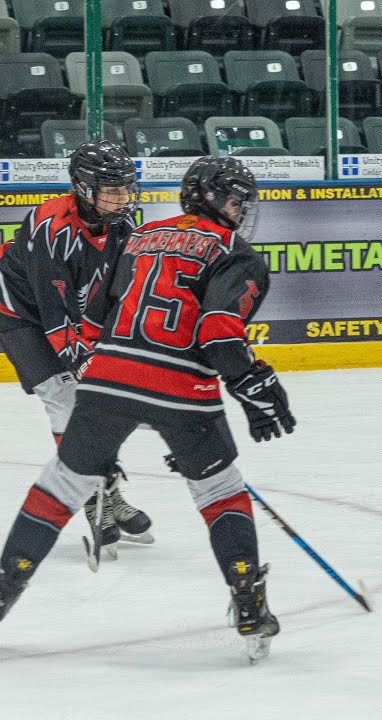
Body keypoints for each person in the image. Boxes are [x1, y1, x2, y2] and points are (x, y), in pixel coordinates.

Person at [0, 156, 296, 661]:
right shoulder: (236, 254)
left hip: (108, 378)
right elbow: (218, 334)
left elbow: (94, 319)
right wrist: (250, 385)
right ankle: (249, 603)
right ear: (207, 199)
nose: (241, 210)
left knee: (58, 487)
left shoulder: (140, 235)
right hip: (180, 390)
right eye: (233, 199)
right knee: (221, 491)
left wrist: (109, 380)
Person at [0, 141, 152, 553]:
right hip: (18, 315)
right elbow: (55, 316)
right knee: (66, 398)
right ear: (83, 187)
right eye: (111, 187)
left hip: (66, 311)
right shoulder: (51, 226)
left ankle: (108, 490)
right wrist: (87, 361)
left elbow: (120, 293)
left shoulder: (121, 224)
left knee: (103, 401)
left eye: (125, 186)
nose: (122, 195)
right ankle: (90, 497)